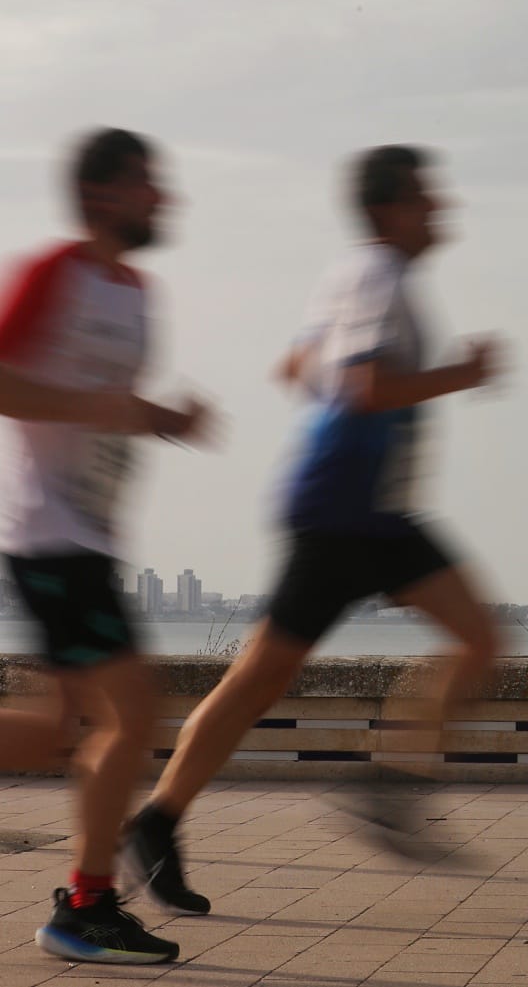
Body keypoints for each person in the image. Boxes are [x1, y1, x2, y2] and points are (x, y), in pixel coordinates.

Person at [125, 145, 504, 914]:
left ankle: (390, 785)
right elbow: (360, 386)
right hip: (340, 509)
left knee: (479, 638)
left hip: (377, 510)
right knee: (260, 677)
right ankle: (158, 819)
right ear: (389, 208)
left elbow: (296, 365)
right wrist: (459, 377)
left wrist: (355, 384)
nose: (441, 210)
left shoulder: (354, 276)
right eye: (427, 198)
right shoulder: (377, 274)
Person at [0, 128, 211, 964]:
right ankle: (84, 908)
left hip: (86, 536)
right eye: (145, 185)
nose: (163, 197)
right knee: (134, 716)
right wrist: (106, 408)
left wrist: (160, 419)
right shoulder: (58, 273)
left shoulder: (138, 292)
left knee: (60, 733)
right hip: (51, 536)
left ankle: (85, 907)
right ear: (100, 196)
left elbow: (110, 410)